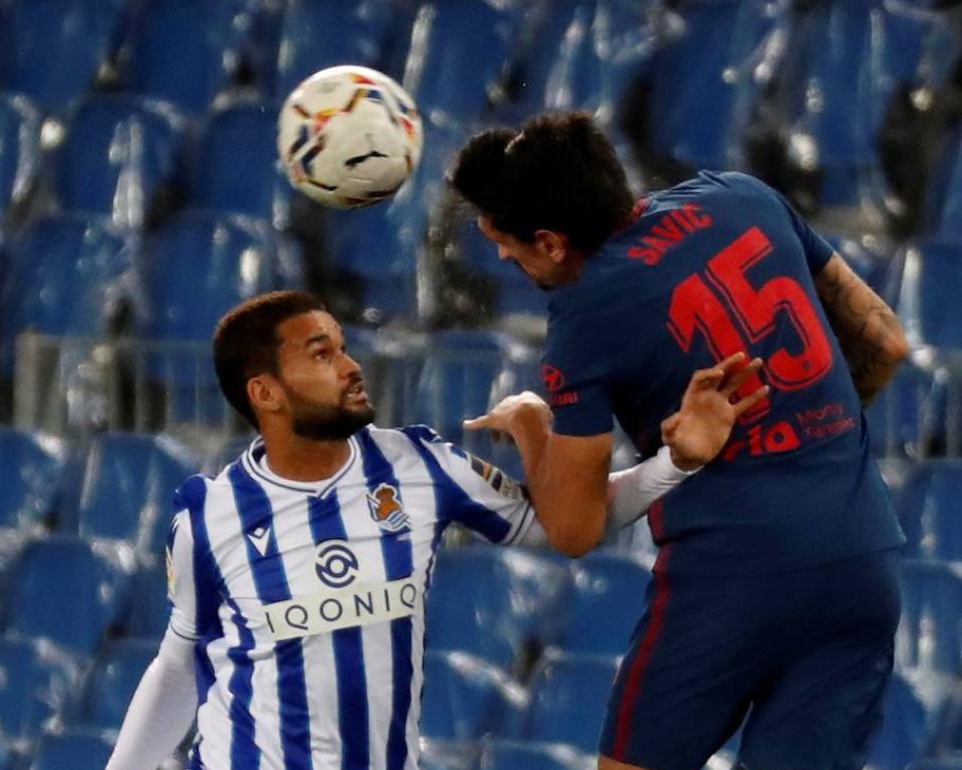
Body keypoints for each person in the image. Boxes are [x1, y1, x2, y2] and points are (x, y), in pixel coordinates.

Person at [104, 290, 764, 770]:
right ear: (266, 393)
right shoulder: (209, 514)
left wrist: (676, 462)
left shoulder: (418, 464)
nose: (351, 364)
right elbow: (179, 664)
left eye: (343, 345)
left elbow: (572, 526)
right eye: (322, 354)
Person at [450, 112, 910, 770]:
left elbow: (575, 528)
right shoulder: (745, 195)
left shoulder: (587, 314)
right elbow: (887, 342)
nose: (501, 257)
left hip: (731, 583)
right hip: (862, 560)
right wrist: (799, 421)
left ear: (551, 243)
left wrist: (531, 425)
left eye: (508, 244)